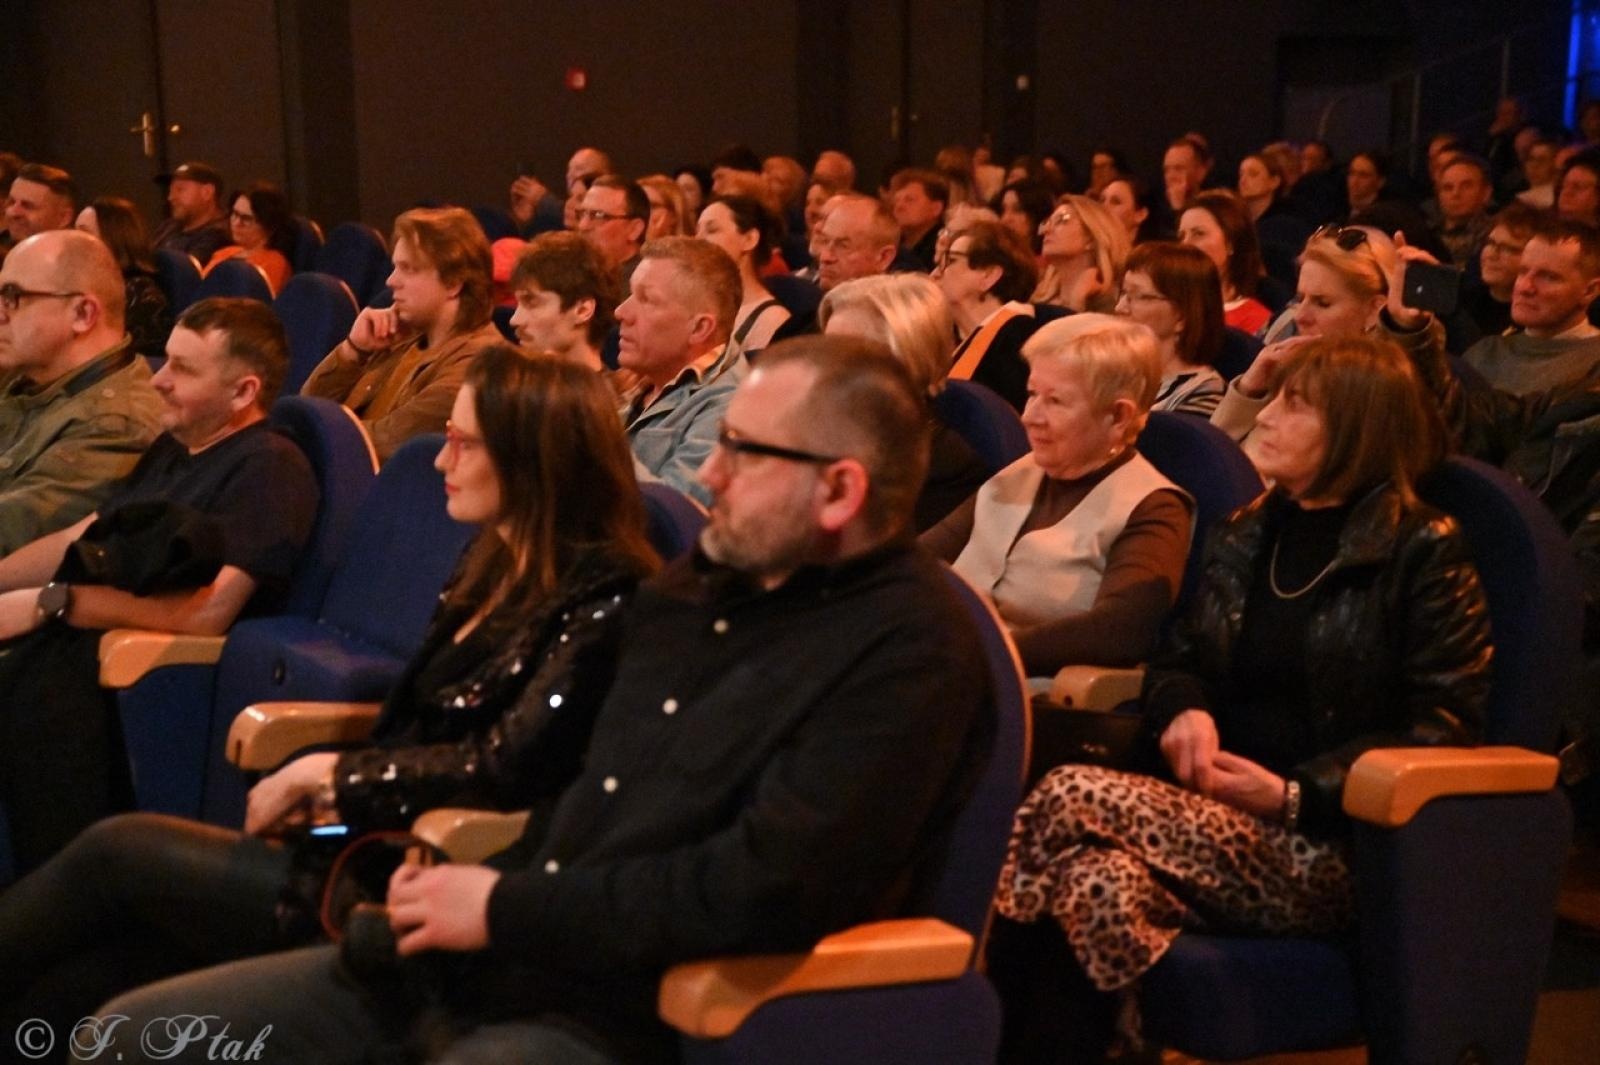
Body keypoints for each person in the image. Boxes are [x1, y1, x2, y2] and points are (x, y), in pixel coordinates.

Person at [93, 335, 993, 1065]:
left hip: (632, 1010)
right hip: (488, 962)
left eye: (743, 451)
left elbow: (753, 889)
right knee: (126, 1037)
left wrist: (496, 907)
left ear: (840, 489)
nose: (709, 474)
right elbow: (584, 794)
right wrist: (451, 898)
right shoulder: (696, 592)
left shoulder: (908, 649)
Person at [0, 348, 660, 1043]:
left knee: (116, 871)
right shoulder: (490, 559)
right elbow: (422, 726)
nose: (440, 461)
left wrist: (334, 776)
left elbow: (505, 764)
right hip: (354, 846)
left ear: (537, 457)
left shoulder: (605, 598)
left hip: (408, 888)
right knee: (88, 958)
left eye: (465, 444)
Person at [990, 335, 1490, 1059]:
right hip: (1205, 811)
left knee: (1069, 792)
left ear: (1355, 426)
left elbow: (1446, 724)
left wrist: (1295, 794)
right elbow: (1177, 659)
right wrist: (1184, 707)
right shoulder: (1249, 529)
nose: (1269, 417)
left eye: (1296, 404)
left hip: (1330, 841)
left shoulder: (1423, 548)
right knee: (1092, 881)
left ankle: (959, 1027)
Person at [0, 298, 318, 872]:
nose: (159, 380)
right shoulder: (175, 447)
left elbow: (208, 614)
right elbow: (84, 535)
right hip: (69, 662)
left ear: (244, 393)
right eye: (165, 360)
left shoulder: (271, 467)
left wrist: (53, 603)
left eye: (183, 370)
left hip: (138, 697)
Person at [923, 314, 1193, 678]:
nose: (1029, 417)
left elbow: (1120, 632)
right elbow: (917, 560)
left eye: (1055, 401)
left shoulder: (1154, 507)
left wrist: (982, 653)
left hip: (1033, 699)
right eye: (1032, 394)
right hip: (942, 668)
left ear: (1118, 416)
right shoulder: (1019, 471)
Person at [0, 229, 165, 554]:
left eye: (13, 297)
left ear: (82, 314)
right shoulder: (26, 376)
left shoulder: (116, 424)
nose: (1, 313)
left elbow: (13, 529)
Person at [302, 206, 501, 461]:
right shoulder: (402, 336)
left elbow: (374, 444)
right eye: (395, 267)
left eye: (408, 269)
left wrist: (305, 430)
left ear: (453, 283)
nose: (391, 281)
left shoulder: (479, 367)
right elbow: (310, 404)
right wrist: (354, 350)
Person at [819, 273, 988, 529]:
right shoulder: (811, 429)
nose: (824, 367)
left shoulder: (947, 469)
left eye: (847, 352)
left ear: (907, 360)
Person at [1211, 224, 1397, 449]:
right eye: (1300, 299)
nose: (1301, 316)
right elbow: (1213, 460)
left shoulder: (1380, 398)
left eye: (1323, 303)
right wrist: (1249, 390)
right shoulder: (1283, 370)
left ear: (1373, 310)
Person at [616, 236, 747, 505]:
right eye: (630, 294)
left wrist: (594, 433)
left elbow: (675, 517)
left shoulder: (730, 406)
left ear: (699, 328)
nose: (621, 312)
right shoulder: (649, 379)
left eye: (646, 300)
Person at [1459, 218, 1600, 395]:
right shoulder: (1484, 353)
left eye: (1548, 277)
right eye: (1523, 272)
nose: (1525, 287)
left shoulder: (1594, 364)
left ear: (1589, 291)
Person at [934, 219, 1041, 411]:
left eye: (951, 261)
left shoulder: (1018, 340)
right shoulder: (956, 337)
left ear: (989, 276)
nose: (936, 273)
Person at [1116, 242, 1227, 416]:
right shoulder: (1117, 373)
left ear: (1182, 316)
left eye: (1138, 296)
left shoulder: (1202, 392)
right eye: (1123, 293)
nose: (1120, 307)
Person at [75, 196, 172, 362]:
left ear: (114, 238)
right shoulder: (79, 285)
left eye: (83, 233)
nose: (72, 240)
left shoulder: (141, 295)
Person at [507, 232, 619, 374]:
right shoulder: (507, 390)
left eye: (532, 302)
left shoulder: (608, 396)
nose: (515, 320)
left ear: (582, 310)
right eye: (518, 303)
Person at [695, 195, 792, 356]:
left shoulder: (770, 319)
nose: (698, 240)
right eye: (697, 231)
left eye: (712, 230)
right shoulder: (697, 307)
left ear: (749, 239)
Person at [1178, 190, 1271, 336]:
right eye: (1182, 236)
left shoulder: (1254, 319)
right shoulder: (1167, 308)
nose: (1185, 244)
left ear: (1231, 243)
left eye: (1198, 234)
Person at [1032, 195, 1129, 314]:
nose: (1046, 230)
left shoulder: (1111, 305)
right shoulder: (1038, 299)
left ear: (1091, 239)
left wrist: (1077, 303)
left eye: (1062, 220)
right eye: (1047, 223)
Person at [202, 182, 294, 296]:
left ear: (268, 225)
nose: (236, 223)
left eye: (246, 218)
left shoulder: (275, 263)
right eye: (234, 214)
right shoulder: (223, 253)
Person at [575, 175, 649, 297]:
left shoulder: (643, 288)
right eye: (582, 214)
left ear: (634, 229)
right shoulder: (572, 275)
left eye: (598, 215)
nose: (583, 226)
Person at [814, 194, 899, 292]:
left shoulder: (902, 306)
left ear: (884, 257)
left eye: (843, 246)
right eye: (825, 241)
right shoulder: (808, 301)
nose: (825, 257)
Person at [152, 161, 231, 265]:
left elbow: (184, 272)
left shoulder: (219, 235)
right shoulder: (169, 226)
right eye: (170, 191)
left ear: (207, 192)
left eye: (180, 190)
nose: (170, 197)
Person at [1433, 154, 1496, 268]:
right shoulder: (1426, 234)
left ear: (1486, 193)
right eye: (1448, 188)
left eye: (1466, 186)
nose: (1455, 193)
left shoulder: (1494, 236)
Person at [890, 168, 950, 272]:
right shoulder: (893, 245)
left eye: (909, 200)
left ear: (936, 208)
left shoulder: (944, 249)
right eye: (896, 201)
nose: (899, 206)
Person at [996, 178, 1056, 254]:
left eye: (1017, 210)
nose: (1006, 218)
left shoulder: (1052, 260)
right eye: (1003, 210)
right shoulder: (999, 259)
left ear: (1036, 215)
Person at [1162, 136, 1212, 213]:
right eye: (1167, 170)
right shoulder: (1157, 212)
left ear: (1201, 172)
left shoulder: (1213, 209)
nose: (1170, 176)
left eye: (1178, 168)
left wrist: (1178, 209)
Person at [638, 174, 690, 239]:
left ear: (674, 215)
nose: (642, 212)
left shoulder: (690, 248)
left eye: (653, 206)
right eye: (638, 205)